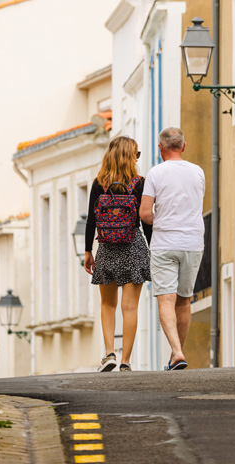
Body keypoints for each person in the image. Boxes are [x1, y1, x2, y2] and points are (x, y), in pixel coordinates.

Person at [84, 136, 152, 372]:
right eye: (136, 154)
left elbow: (91, 221)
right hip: (133, 246)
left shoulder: (99, 184)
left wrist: (88, 251)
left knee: (107, 304)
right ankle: (126, 361)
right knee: (130, 307)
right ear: (130, 157)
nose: (137, 158)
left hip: (107, 248)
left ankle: (109, 353)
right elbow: (146, 221)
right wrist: (152, 249)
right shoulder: (140, 184)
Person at [139, 127, 205, 371]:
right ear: (183, 146)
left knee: (166, 300)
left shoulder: (155, 173)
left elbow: (145, 213)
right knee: (184, 300)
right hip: (193, 242)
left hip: (165, 243)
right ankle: (178, 353)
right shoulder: (198, 172)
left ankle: (176, 352)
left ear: (160, 148)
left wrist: (164, 219)